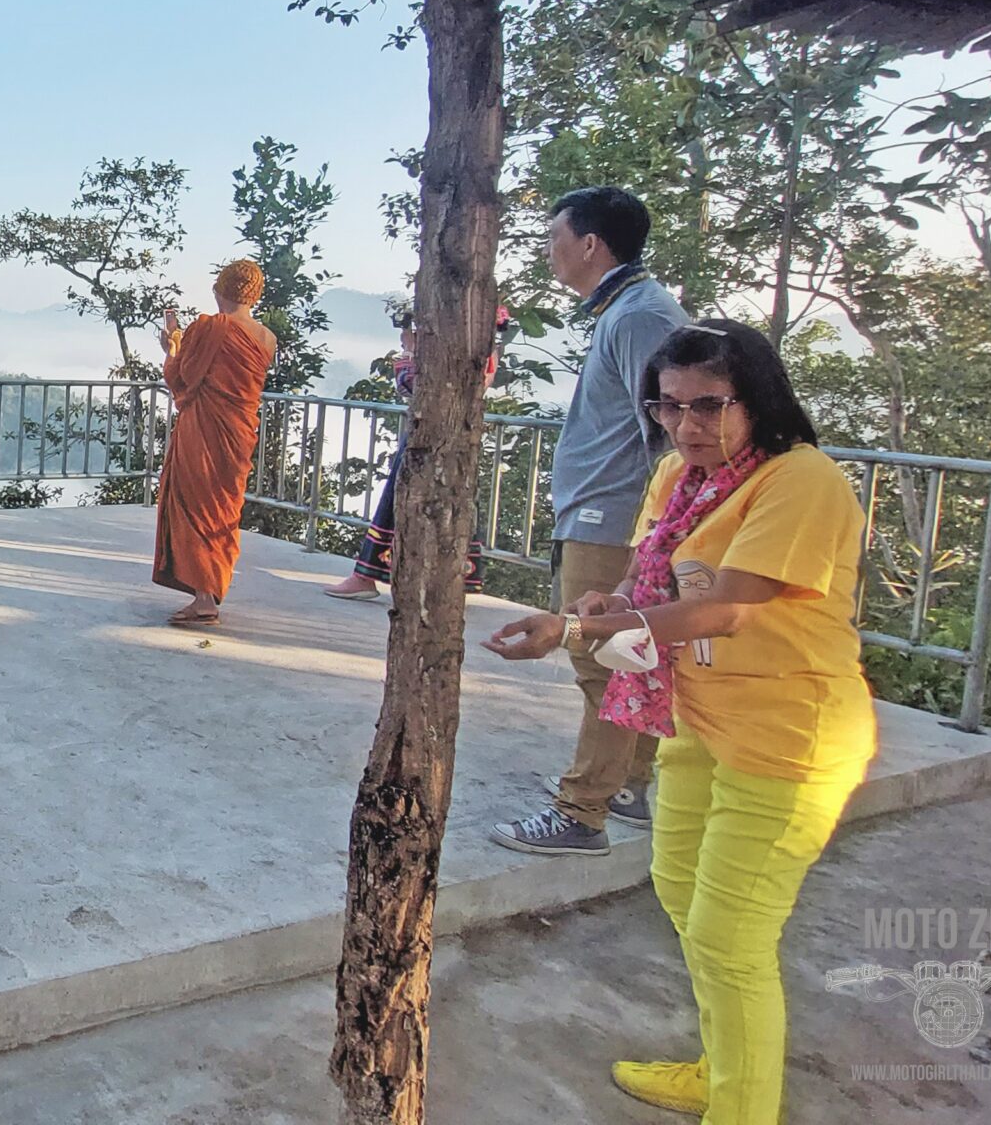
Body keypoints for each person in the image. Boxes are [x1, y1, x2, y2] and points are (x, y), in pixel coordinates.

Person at [483, 320, 872, 1125]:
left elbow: (724, 610)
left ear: (757, 400)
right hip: (697, 721)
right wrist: (597, 606)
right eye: (667, 407)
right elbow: (648, 585)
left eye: (708, 406)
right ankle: (723, 1070)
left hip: (790, 740)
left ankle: (742, 1109)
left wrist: (579, 631)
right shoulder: (676, 477)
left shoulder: (800, 482)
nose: (687, 426)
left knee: (732, 938)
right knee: (683, 894)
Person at [494, 185, 692, 856]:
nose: (549, 251)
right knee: (618, 656)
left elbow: (674, 427)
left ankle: (583, 811)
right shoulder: (626, 310)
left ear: (589, 244)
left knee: (601, 658)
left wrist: (658, 527)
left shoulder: (641, 317)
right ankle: (630, 785)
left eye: (555, 237)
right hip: (601, 509)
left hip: (615, 516)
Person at [326, 305, 514, 601]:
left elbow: (418, 387)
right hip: (458, 435)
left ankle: (367, 575)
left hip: (429, 433)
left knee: (398, 502)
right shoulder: (485, 352)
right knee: (449, 506)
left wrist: (408, 359)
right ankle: (444, 582)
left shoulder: (454, 353)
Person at [151, 259, 278, 626]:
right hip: (238, 435)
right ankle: (206, 589)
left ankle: (205, 598)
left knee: (194, 505)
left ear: (219, 289)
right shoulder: (267, 338)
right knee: (222, 507)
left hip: (202, 432)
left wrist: (171, 348)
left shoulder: (207, 329)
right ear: (255, 294)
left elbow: (181, 379)